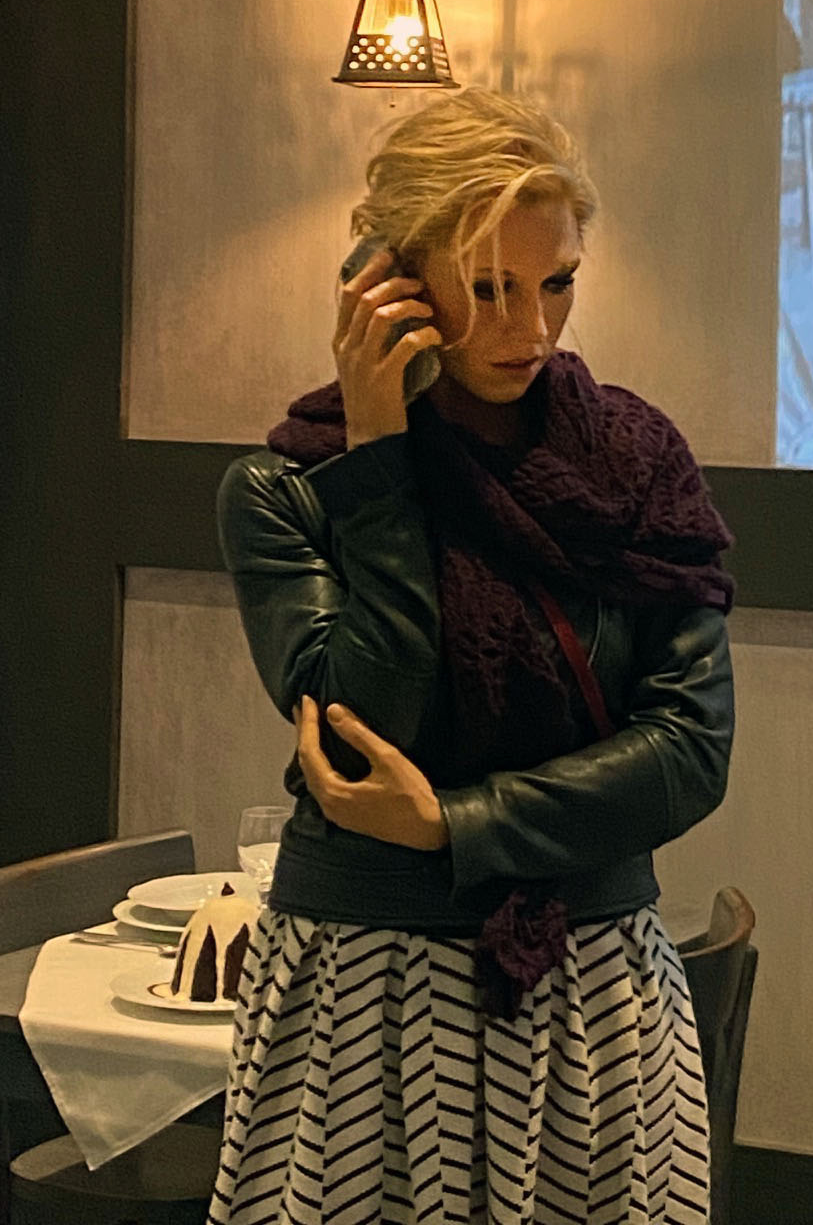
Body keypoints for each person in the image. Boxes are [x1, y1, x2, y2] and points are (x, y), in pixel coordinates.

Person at [211, 88, 735, 1225]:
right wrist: (378, 454)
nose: (532, 330)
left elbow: (692, 752)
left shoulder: (636, 466)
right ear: (388, 283)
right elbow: (367, 727)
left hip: (596, 985)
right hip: (364, 987)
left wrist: (454, 824)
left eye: (558, 283)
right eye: (491, 288)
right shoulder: (286, 492)